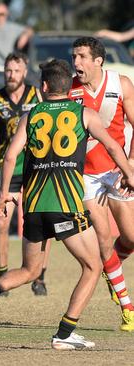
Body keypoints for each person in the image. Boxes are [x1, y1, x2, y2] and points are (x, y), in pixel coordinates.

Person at [0, 58, 134, 350]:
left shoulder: (32, 115)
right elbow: (112, 145)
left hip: (34, 207)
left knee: (30, 270)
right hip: (65, 205)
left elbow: (11, 156)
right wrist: (129, 173)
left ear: (43, 87)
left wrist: (3, 193)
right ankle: (65, 333)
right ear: (69, 87)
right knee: (93, 267)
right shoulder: (84, 113)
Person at [69, 36, 134, 331]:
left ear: (98, 60)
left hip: (116, 170)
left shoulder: (121, 84)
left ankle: (113, 270)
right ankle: (127, 306)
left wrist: (130, 165)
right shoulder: (68, 90)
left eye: (82, 56)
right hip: (85, 177)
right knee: (104, 240)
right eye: (74, 56)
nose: (76, 62)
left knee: (131, 238)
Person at [0, 52, 50, 296]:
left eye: (16, 71)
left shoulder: (36, 95)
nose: (11, 75)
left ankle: (39, 276)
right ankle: (2, 274)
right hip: (10, 170)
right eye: (8, 70)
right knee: (2, 222)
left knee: (41, 223)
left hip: (37, 169)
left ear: (25, 72)